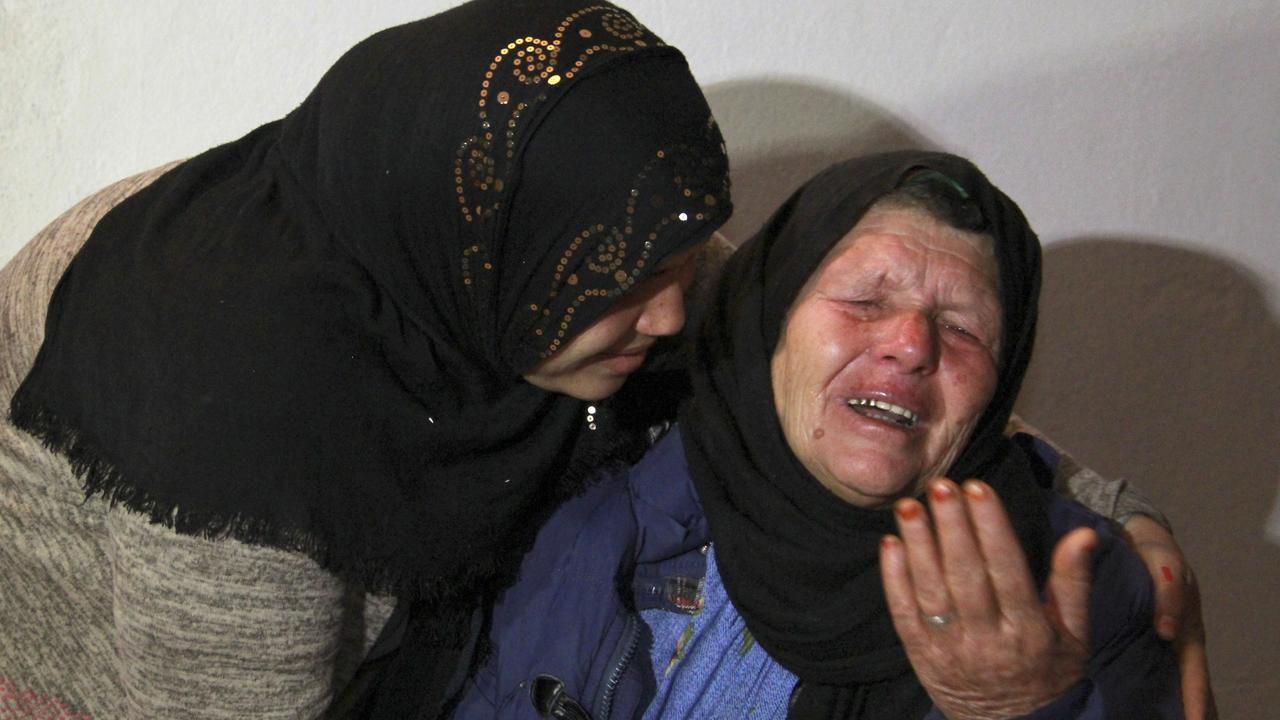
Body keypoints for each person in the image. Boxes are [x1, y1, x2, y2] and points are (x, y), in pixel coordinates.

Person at [0, 1, 730, 717]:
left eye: (683, 264)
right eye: (624, 280)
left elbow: (767, 313)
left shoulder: (486, 232)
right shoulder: (237, 413)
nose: (667, 316)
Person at [446, 152, 1185, 718]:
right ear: (769, 322)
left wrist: (1028, 709)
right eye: (865, 300)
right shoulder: (591, 492)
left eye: (963, 329)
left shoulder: (1087, 595)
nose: (911, 344)